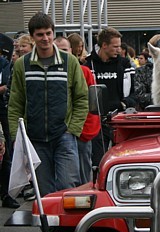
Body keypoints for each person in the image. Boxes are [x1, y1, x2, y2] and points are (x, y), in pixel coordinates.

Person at [8, 12, 88, 197]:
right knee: (44, 194)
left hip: (64, 136)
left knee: (68, 188)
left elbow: (82, 98)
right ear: (33, 37)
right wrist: (16, 136)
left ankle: (68, 227)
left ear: (53, 33)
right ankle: (49, 228)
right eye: (40, 34)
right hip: (35, 139)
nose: (45, 38)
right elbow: (15, 104)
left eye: (48, 33)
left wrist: (73, 129)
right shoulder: (22, 64)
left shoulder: (70, 62)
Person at [84, 26, 136, 166]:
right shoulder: (88, 63)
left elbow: (134, 92)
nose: (119, 50)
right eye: (115, 47)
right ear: (104, 45)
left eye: (119, 46)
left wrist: (124, 104)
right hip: (97, 120)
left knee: (123, 161)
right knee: (98, 161)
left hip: (120, 119)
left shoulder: (124, 64)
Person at [55, 36, 100, 184]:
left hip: (79, 132)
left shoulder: (84, 72)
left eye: (64, 50)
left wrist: (80, 130)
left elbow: (89, 103)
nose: (61, 53)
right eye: (57, 50)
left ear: (71, 50)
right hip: (52, 133)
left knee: (82, 176)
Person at [0, 49, 20, 208]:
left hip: (3, 112)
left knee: (5, 152)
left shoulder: (4, 64)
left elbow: (6, 87)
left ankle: (7, 194)